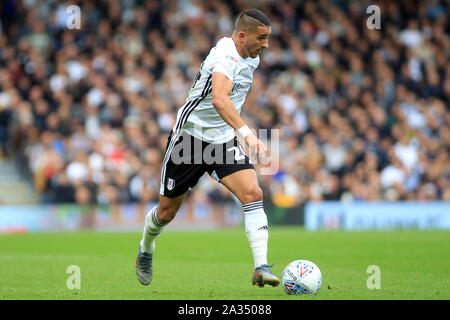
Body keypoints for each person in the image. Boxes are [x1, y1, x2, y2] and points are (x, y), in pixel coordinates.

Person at [136, 9, 279, 288]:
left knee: (252, 192)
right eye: (261, 38)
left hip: (223, 141)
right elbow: (219, 99)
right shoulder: (225, 51)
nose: (266, 45)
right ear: (241, 36)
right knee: (166, 213)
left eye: (268, 38)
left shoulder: (253, 58)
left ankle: (260, 266)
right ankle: (146, 248)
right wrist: (247, 134)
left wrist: (236, 133)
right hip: (189, 140)